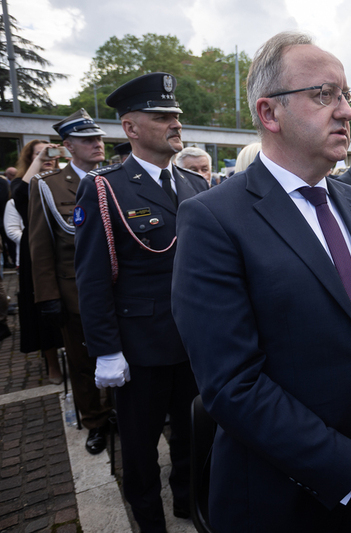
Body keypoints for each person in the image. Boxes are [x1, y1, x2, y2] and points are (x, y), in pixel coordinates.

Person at [170, 31, 351, 532]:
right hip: (275, 497)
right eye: (324, 95)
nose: (347, 111)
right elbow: (231, 383)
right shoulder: (213, 219)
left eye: (348, 95)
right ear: (270, 113)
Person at [74, 72, 208, 532]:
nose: (175, 123)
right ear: (131, 128)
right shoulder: (106, 187)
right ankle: (149, 521)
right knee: (140, 445)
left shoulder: (194, 183)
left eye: (176, 115)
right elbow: (92, 279)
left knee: (193, 435)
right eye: (162, 116)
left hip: (192, 343)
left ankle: (189, 506)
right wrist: (106, 350)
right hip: (141, 346)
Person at [28, 109, 112, 454]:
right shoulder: (48, 187)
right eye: (88, 140)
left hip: (118, 290)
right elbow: (40, 245)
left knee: (121, 357)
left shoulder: (115, 178)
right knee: (83, 363)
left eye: (99, 138)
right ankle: (95, 420)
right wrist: (48, 296)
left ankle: (120, 409)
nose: (97, 144)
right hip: (75, 293)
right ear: (68, 146)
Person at [12, 140, 63, 384]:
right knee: (43, 311)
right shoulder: (25, 185)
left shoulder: (62, 180)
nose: (47, 157)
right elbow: (21, 195)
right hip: (37, 255)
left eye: (50, 152)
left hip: (62, 251)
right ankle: (52, 363)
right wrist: (39, 160)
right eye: (40, 154)